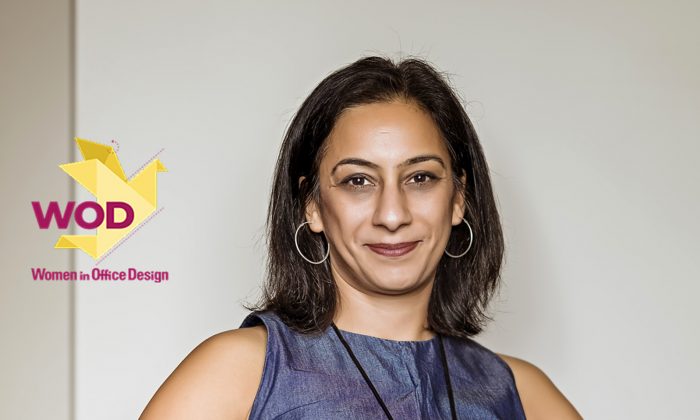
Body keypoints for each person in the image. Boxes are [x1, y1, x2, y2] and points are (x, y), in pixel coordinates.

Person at [140, 55, 583, 419]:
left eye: (421, 177)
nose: (392, 215)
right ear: (312, 204)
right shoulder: (237, 373)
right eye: (358, 181)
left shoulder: (524, 396)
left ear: (458, 199)